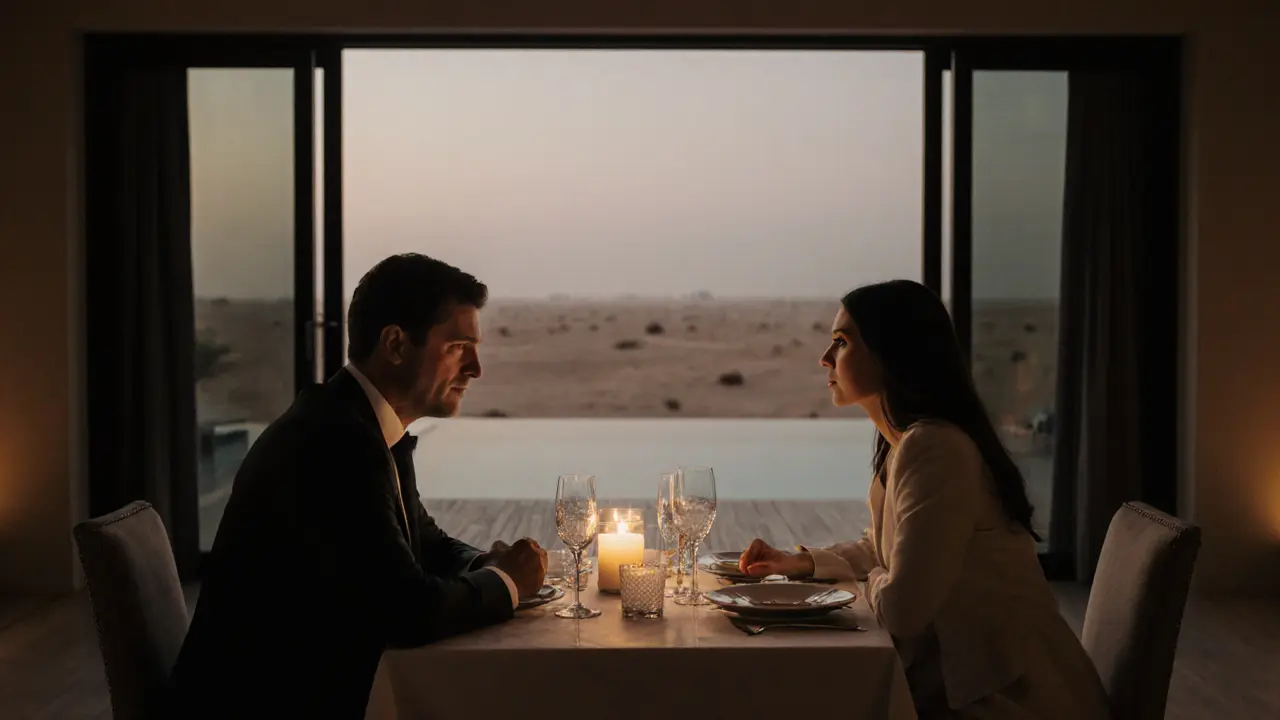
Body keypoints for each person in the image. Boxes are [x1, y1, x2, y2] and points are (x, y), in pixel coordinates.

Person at [165, 254, 547, 718]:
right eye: (457, 347)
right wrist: (507, 583)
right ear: (396, 344)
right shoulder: (335, 442)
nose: (476, 368)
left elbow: (424, 541)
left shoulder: (358, 422)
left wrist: (485, 562)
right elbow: (408, 612)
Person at [739, 280, 1110, 719]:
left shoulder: (935, 447)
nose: (825, 358)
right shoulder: (906, 444)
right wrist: (797, 562)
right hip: (969, 682)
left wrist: (873, 577)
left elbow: (902, 610)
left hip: (1012, 696)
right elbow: (885, 551)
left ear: (890, 352)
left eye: (841, 342)